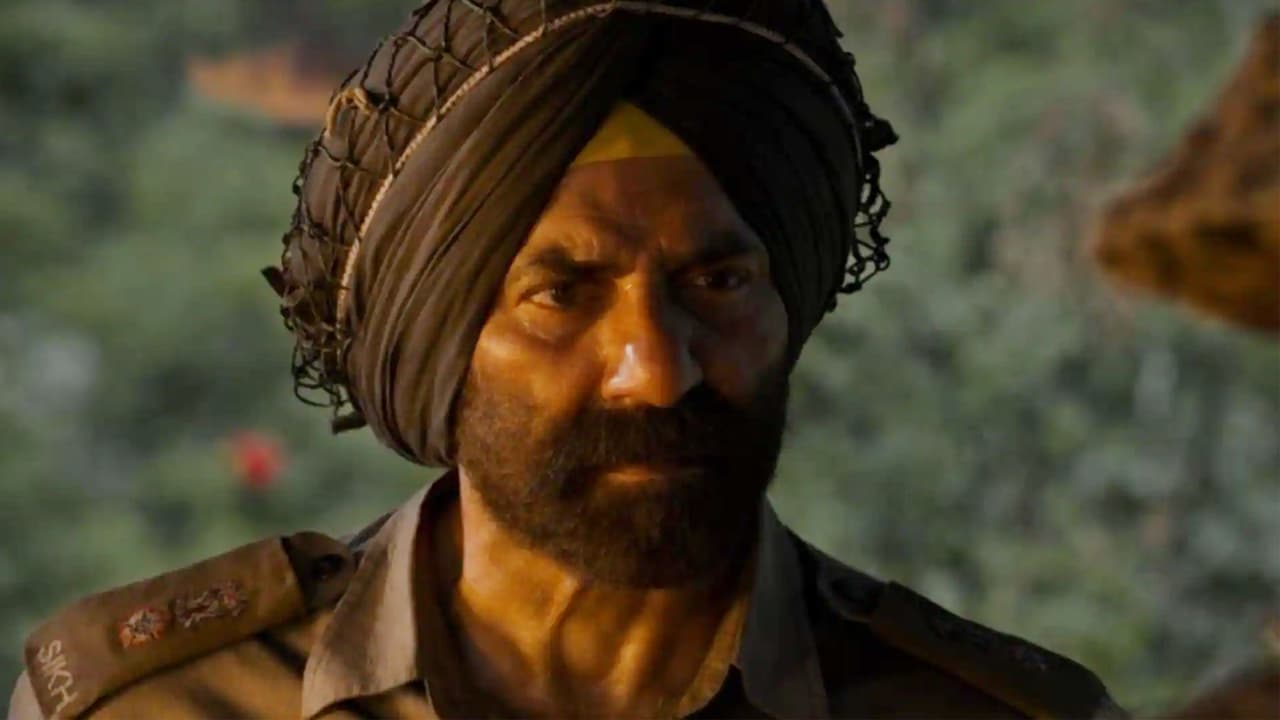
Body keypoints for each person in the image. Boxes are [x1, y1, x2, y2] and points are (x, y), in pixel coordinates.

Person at [9, 1, 1125, 717]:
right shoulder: (154, 703)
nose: (657, 370)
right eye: (562, 295)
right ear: (443, 343)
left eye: (716, 284)